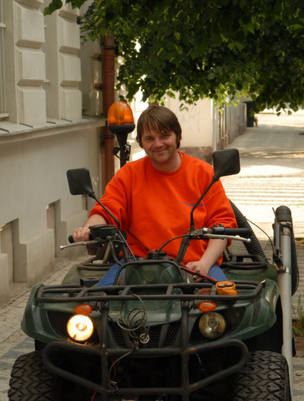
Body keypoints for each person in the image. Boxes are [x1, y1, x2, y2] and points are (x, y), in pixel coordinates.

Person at [72, 106, 236, 284]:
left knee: (226, 305)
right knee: (99, 302)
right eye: (149, 138)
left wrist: (204, 264)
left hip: (195, 264)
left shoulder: (203, 173)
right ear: (141, 142)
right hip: (135, 265)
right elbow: (107, 210)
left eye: (165, 136)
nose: (158, 144)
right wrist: (88, 229)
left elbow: (223, 226)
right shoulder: (129, 174)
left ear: (177, 136)